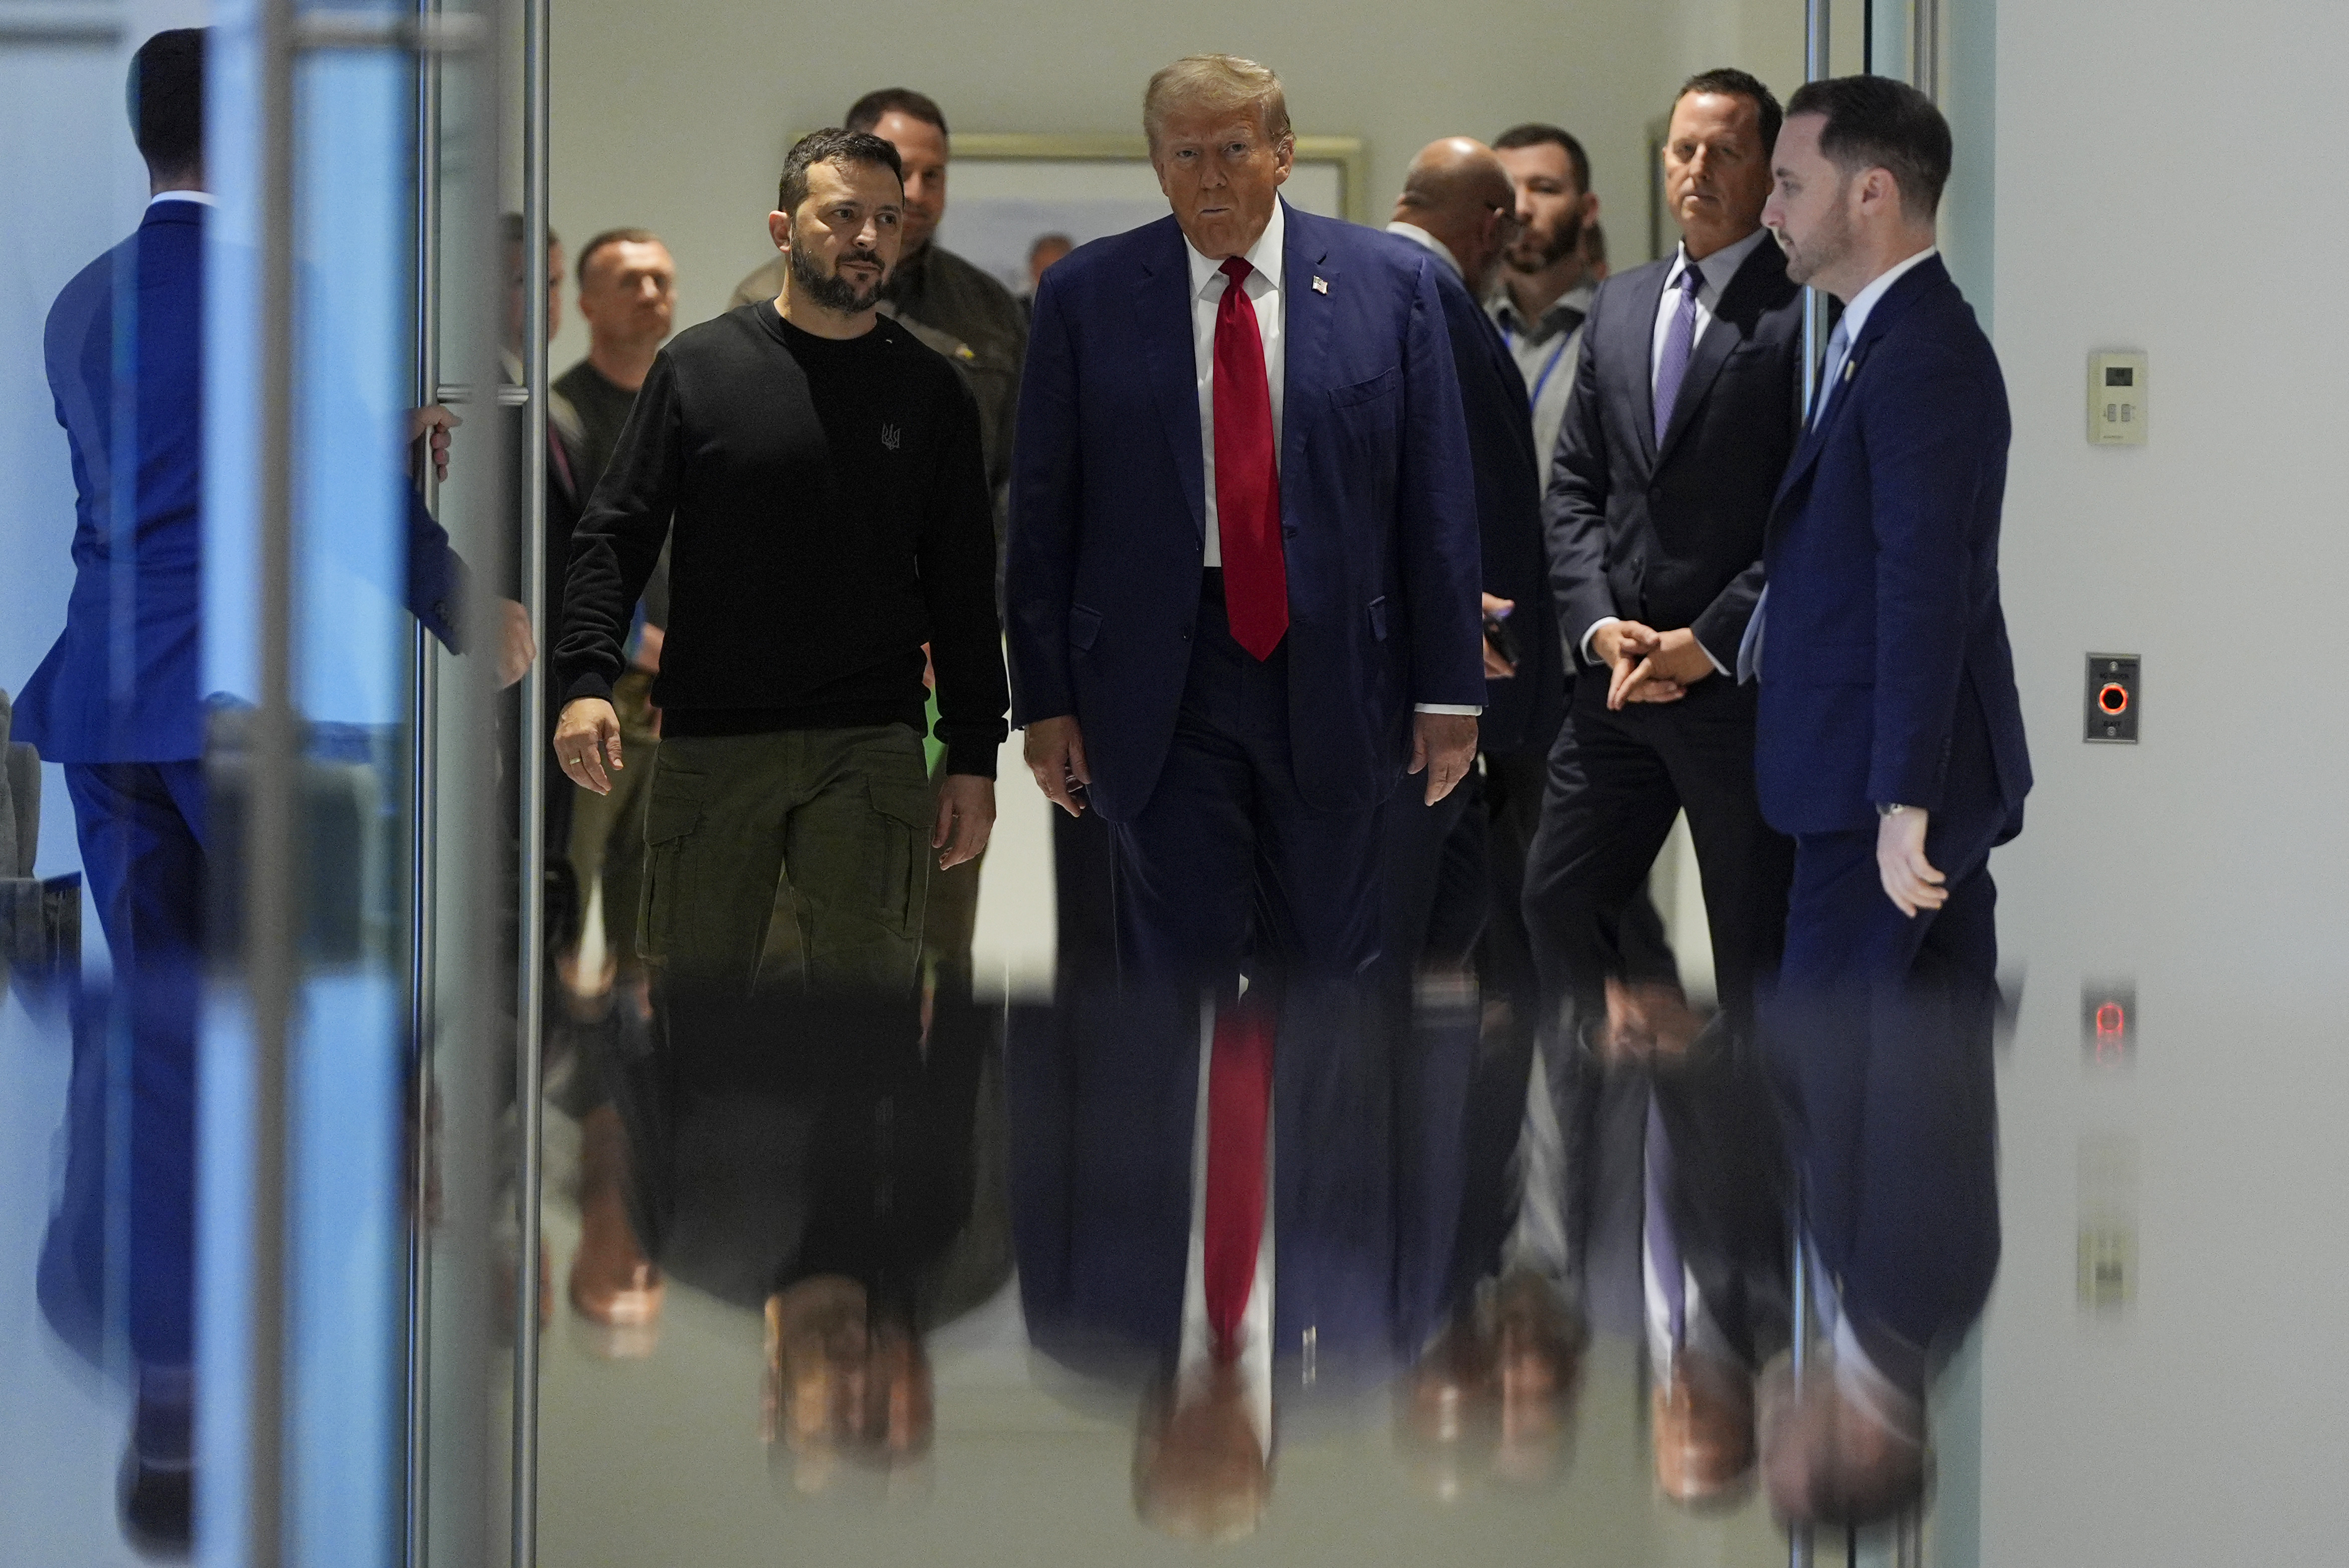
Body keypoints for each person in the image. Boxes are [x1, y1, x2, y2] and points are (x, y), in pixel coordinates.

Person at [9, 30, 507, 1549]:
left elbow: (180, 481)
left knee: (165, 1009)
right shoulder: (279, 289)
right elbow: (324, 501)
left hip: (106, 699)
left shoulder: (82, 295)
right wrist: (472, 611)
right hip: (254, 717)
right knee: (307, 1004)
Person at [1007, 54, 1483, 995]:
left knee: (1328, 976)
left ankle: (1315, 1149)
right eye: (1184, 152)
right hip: (1158, 683)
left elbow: (1437, 503)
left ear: (1282, 155)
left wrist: (1451, 691)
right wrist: (1045, 700)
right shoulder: (1085, 297)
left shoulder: (1390, 285)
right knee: (1171, 981)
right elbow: (1042, 515)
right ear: (1155, 164)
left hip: (1337, 670)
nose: (1210, 174)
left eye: (1233, 147)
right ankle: (1189, 1149)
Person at [1746, 75, 2029, 1528]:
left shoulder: (1917, 350)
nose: (1766, 206)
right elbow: (1869, 580)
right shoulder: (1885, 341)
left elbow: (1931, 590)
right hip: (1868, 795)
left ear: (1869, 193)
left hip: (1877, 802)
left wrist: (1903, 805)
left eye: (1785, 181)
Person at [552, 128, 1007, 1003]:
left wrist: (974, 754)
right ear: (782, 229)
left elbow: (961, 581)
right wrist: (584, 677)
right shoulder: (699, 367)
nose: (869, 236)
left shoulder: (932, 389)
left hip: (871, 745)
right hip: (715, 740)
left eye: (887, 217)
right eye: (843, 215)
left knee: (864, 1034)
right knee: (700, 1022)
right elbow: (616, 533)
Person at [1521, 67, 1802, 1048]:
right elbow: (1575, 492)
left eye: (1725, 150)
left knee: (1754, 953)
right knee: (1556, 897)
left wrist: (1709, 638)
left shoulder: (1804, 312)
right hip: (1620, 685)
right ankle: (1653, 1086)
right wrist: (1600, 627)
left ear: (1770, 169)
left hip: (1740, 689)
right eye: (1684, 149)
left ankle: (1754, 1179)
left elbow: (1809, 514)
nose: (1697, 168)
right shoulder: (1623, 303)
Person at [732, 89, 1027, 1000]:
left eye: (936, 174)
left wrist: (963, 623)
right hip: (804, 663)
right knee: (796, 920)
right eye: (905, 172)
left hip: (945, 667)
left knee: (938, 906)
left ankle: (933, 1131)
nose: (922, 192)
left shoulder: (989, 315)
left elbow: (1013, 486)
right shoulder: (760, 306)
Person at [1377, 139, 1559, 989]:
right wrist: (1472, 636)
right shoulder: (1431, 299)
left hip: (1419, 683)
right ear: (1489, 225)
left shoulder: (1364, 282)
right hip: (1436, 691)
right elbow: (1463, 497)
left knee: (1439, 932)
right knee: (1412, 945)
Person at [550, 226, 678, 1334]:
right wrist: (636, 650)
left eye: (661, 279)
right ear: (586, 301)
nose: (651, 293)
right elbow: (571, 550)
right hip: (597, 697)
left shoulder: (693, 399)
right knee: (569, 899)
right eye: (628, 280)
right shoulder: (563, 416)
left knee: (654, 924)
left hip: (691, 705)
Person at [1488, 123, 1601, 479]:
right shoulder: (1461, 327)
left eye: (1544, 189)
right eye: (1506, 191)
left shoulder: (1620, 330)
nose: (1520, 208)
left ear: (1587, 210)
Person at [1021, 231, 1074, 317]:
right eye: (1039, 267)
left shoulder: (1088, 308)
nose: (1043, 275)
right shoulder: (1012, 309)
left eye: (1051, 268)